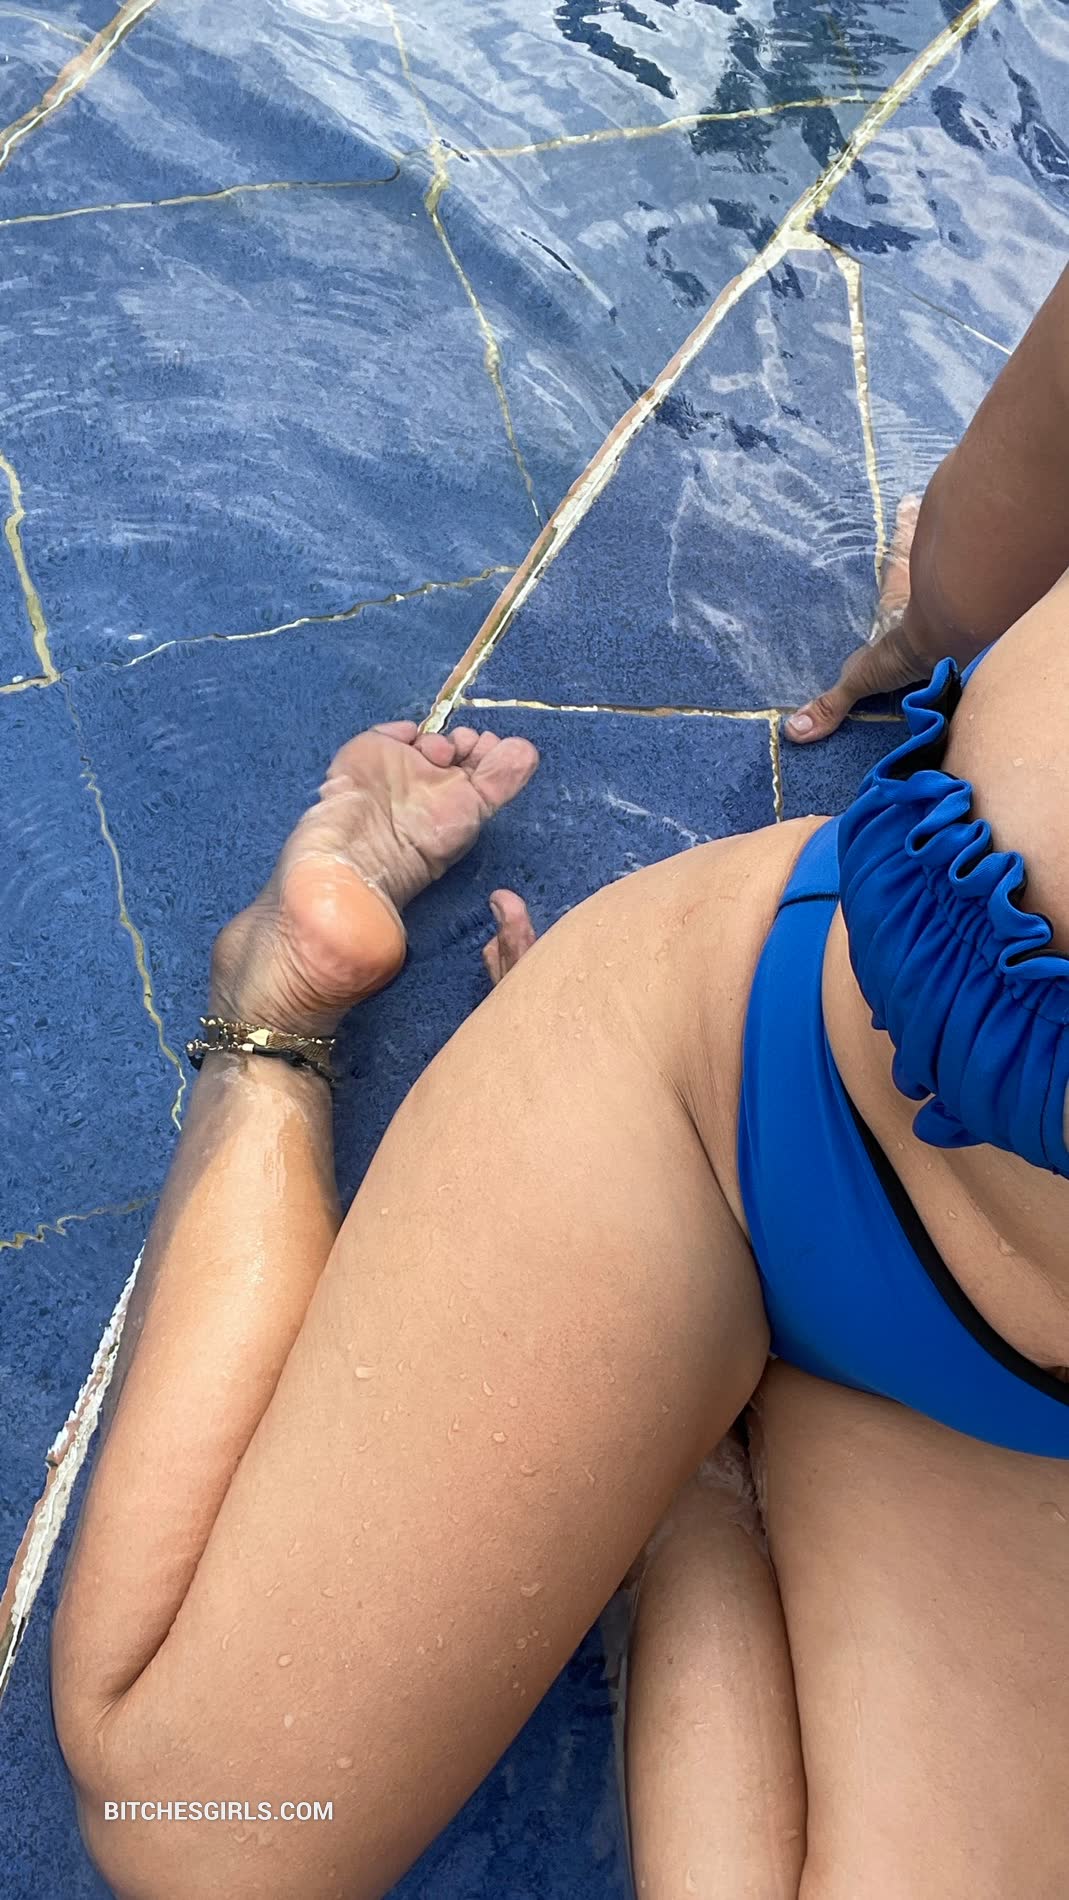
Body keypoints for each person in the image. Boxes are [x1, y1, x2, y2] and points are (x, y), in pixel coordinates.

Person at [50, 267, 1069, 1900]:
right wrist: (945, 615)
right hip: (721, 1107)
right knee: (199, 1834)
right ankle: (277, 1009)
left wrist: (690, 1493)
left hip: (998, 1382)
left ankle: (693, 1469)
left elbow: (999, 522)